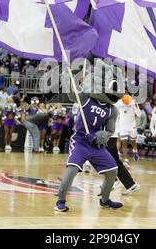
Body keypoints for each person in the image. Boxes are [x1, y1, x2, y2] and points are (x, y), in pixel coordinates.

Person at [55, 61, 124, 212]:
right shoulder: (86, 98)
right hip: (80, 141)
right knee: (72, 170)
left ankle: (105, 200)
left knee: (113, 171)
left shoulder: (112, 110)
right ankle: (60, 200)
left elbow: (109, 131)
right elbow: (71, 92)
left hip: (96, 146)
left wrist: (101, 137)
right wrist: (68, 75)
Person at [116, 94, 141, 168]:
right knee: (124, 143)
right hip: (122, 126)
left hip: (132, 126)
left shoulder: (133, 102)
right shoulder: (118, 102)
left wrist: (136, 105)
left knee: (133, 141)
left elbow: (139, 115)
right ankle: (126, 160)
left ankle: (135, 150)